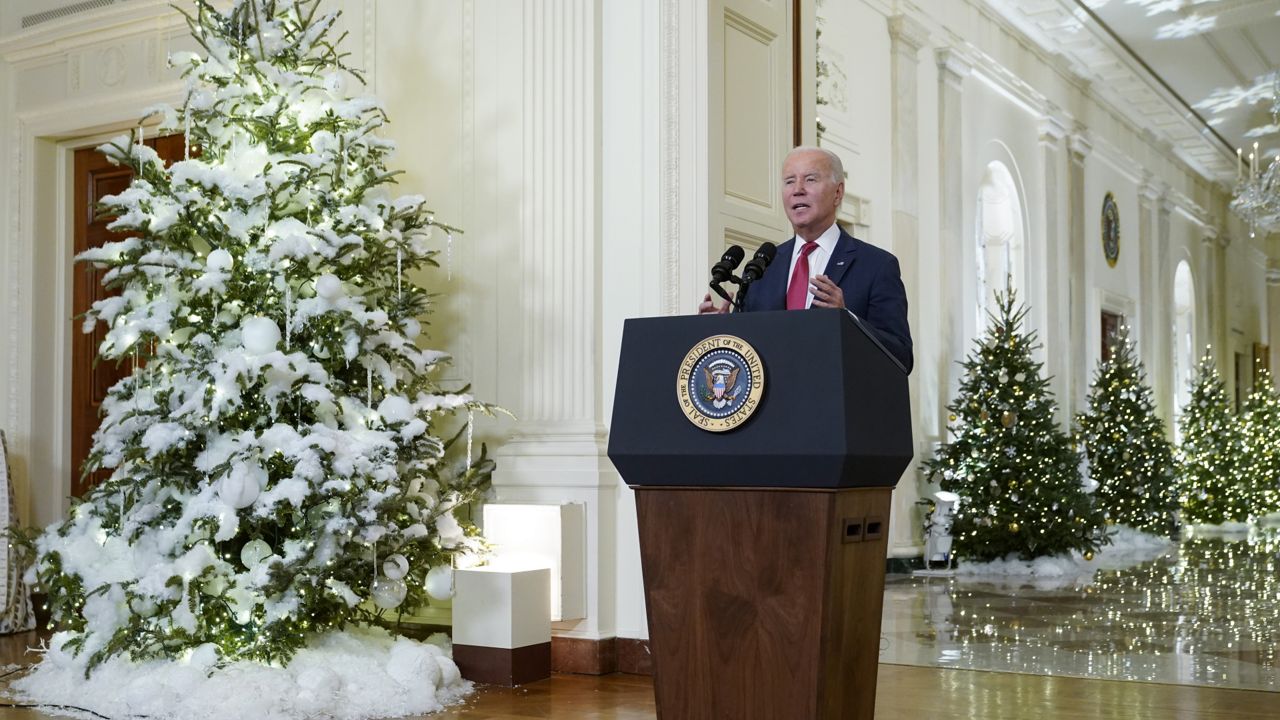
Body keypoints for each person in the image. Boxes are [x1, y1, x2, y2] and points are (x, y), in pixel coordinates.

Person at [699, 146, 913, 372]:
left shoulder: (877, 266)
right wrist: (721, 330)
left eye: (810, 179)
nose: (797, 190)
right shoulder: (762, 268)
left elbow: (900, 358)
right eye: (789, 181)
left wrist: (847, 320)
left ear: (838, 193)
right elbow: (746, 354)